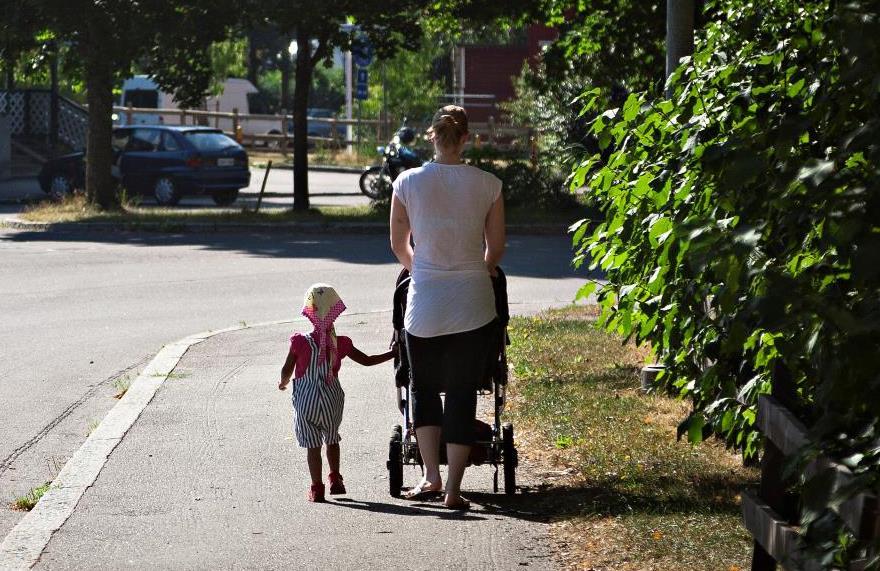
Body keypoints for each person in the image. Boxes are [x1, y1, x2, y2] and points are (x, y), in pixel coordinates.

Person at [389, 105, 506, 510]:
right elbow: (496, 249)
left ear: (431, 137)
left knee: (423, 389)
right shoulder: (488, 184)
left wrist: (420, 268)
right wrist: (480, 269)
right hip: (473, 303)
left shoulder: (407, 182)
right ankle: (455, 490)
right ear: (467, 138)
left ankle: (429, 477)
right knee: (461, 394)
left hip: (424, 306)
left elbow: (398, 244)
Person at [279, 284, 394, 503]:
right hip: (332, 399)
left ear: (309, 312)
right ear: (335, 311)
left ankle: (317, 488)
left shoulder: (299, 342)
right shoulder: (341, 343)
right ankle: (335, 479)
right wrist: (393, 353)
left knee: (313, 446)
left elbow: (287, 370)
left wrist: (283, 383)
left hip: (306, 401)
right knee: (332, 439)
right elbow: (367, 361)